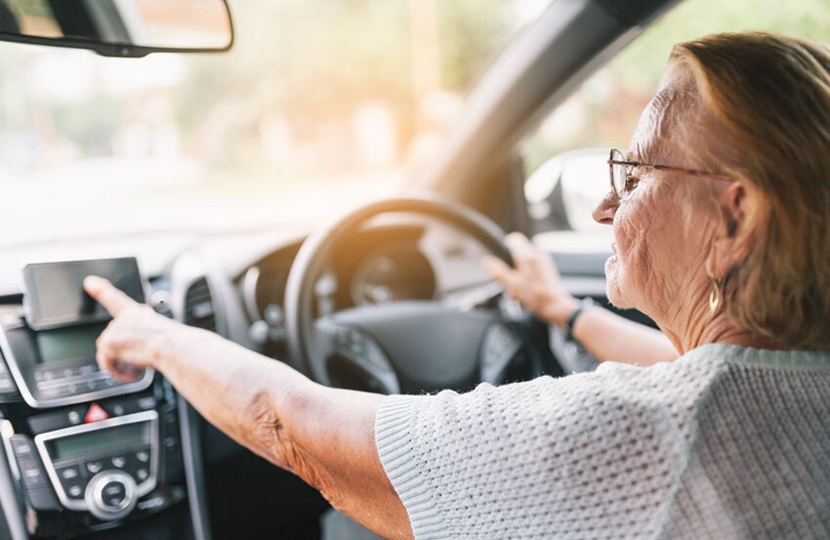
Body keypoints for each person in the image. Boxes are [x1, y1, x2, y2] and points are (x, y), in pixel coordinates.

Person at [84, 32, 830, 539]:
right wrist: (562, 313)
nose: (606, 205)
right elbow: (701, 374)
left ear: (735, 218)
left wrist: (160, 337)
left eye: (635, 175)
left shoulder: (638, 436)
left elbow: (296, 428)